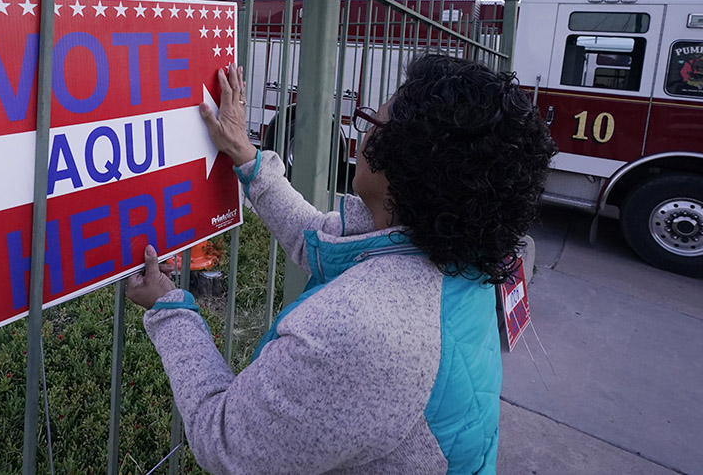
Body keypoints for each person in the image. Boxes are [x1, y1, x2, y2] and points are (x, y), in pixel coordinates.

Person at [126, 54, 556, 474]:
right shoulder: (457, 254)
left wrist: (170, 311)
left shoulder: (360, 331)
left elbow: (225, 443)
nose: (364, 138)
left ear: (404, 162)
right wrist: (247, 158)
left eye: (372, 123)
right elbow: (316, 236)